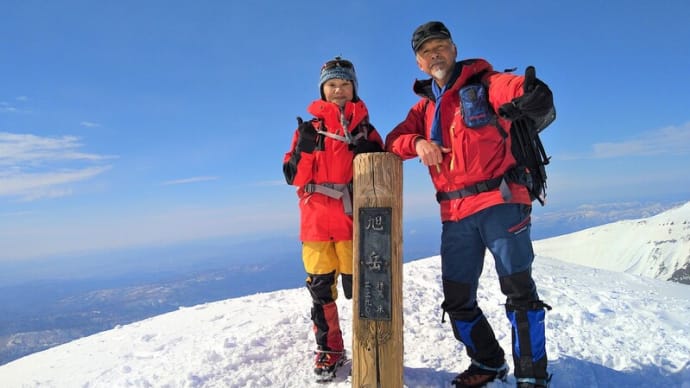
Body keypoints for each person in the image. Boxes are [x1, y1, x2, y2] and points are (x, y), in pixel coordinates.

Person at [385, 21, 555, 388]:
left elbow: (519, 90)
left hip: (501, 203)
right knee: (458, 298)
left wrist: (534, 93)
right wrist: (417, 144)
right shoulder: (424, 108)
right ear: (419, 63)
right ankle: (488, 362)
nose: (435, 54)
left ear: (454, 49)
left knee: (519, 292)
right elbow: (392, 140)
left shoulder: (486, 83)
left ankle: (531, 374)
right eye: (427, 51)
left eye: (441, 46)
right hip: (454, 214)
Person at [282, 57, 383, 380]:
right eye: (332, 84)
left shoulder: (365, 129)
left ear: (353, 89)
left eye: (345, 84)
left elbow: (381, 175)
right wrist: (306, 148)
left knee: (364, 292)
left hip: (352, 225)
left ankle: (373, 347)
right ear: (323, 91)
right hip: (314, 227)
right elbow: (294, 177)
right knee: (321, 291)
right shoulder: (308, 131)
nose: (339, 89)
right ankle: (331, 350)